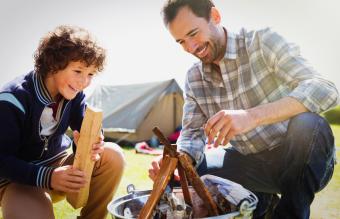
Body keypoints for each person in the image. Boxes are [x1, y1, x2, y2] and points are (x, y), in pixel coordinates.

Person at [149, 0, 339, 218]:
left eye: (193, 33)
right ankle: (262, 206)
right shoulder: (194, 78)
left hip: (303, 161)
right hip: (251, 164)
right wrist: (178, 163)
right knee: (194, 167)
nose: (191, 48)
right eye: (181, 41)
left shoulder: (262, 42)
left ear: (215, 16)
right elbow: (191, 135)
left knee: (309, 123)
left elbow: (326, 89)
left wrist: (252, 116)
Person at [0, 25, 125, 219]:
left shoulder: (75, 94)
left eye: (91, 74)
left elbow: (86, 126)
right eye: (78, 71)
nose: (84, 82)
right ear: (53, 64)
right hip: (18, 181)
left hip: (60, 167)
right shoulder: (12, 99)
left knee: (112, 154)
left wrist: (93, 141)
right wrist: (48, 177)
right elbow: (2, 161)